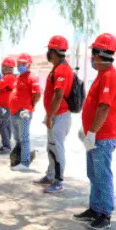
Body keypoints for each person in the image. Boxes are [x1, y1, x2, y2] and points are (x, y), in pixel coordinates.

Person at [73, 34, 116, 230]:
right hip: (95, 135)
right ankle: (95, 209)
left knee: (102, 175)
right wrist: (87, 130)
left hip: (102, 137)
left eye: (93, 54)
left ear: (100, 54)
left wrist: (92, 132)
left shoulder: (109, 76)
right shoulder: (102, 75)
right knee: (93, 174)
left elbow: (104, 107)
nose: (92, 58)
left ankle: (105, 214)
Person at [40, 35, 74, 193]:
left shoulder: (62, 69)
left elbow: (58, 95)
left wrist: (51, 116)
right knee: (51, 147)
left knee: (57, 148)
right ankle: (50, 175)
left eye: (49, 50)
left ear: (52, 52)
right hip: (55, 114)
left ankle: (58, 182)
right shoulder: (58, 67)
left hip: (59, 115)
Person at [9, 53, 41, 172]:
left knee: (24, 137)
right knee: (17, 137)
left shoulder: (32, 77)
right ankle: (19, 159)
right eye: (19, 63)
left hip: (24, 112)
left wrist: (30, 106)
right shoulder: (18, 77)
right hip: (14, 111)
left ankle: (25, 162)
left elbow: (37, 94)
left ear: (29, 64)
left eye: (23, 63)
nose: (20, 65)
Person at [0, 57, 17, 154]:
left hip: (5, 106)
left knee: (1, 124)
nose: (2, 68)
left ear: (8, 68)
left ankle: (7, 146)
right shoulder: (8, 77)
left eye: (3, 66)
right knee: (6, 125)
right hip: (6, 105)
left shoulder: (8, 77)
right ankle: (6, 145)